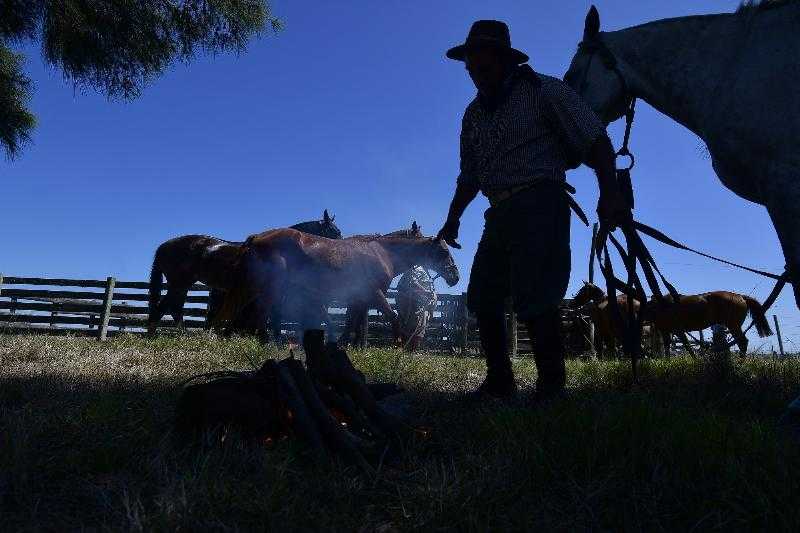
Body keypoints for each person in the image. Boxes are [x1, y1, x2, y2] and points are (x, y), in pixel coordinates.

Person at [437, 20, 630, 401]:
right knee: (483, 297)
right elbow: (469, 174)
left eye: (484, 66)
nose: (477, 75)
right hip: (500, 210)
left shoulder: (544, 91)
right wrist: (453, 218)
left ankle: (551, 388)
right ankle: (499, 382)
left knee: (538, 296)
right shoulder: (473, 115)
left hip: (541, 202)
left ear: (504, 60)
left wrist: (610, 193)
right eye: (471, 69)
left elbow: (594, 138)